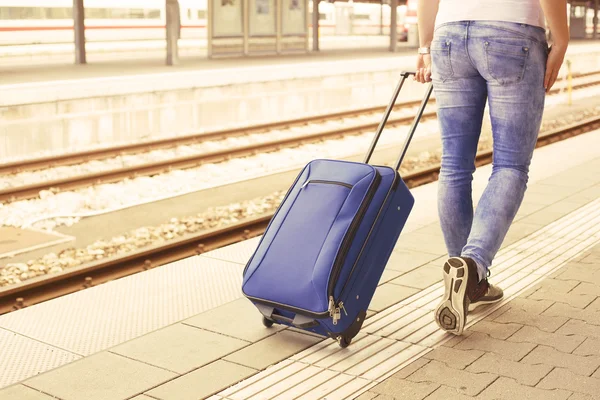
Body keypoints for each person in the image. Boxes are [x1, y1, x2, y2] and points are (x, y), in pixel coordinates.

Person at [414, 0, 569, 335]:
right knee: (511, 165)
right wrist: (562, 38)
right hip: (512, 32)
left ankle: (467, 281)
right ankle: (472, 267)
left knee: (454, 164)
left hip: (449, 35)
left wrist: (425, 47)